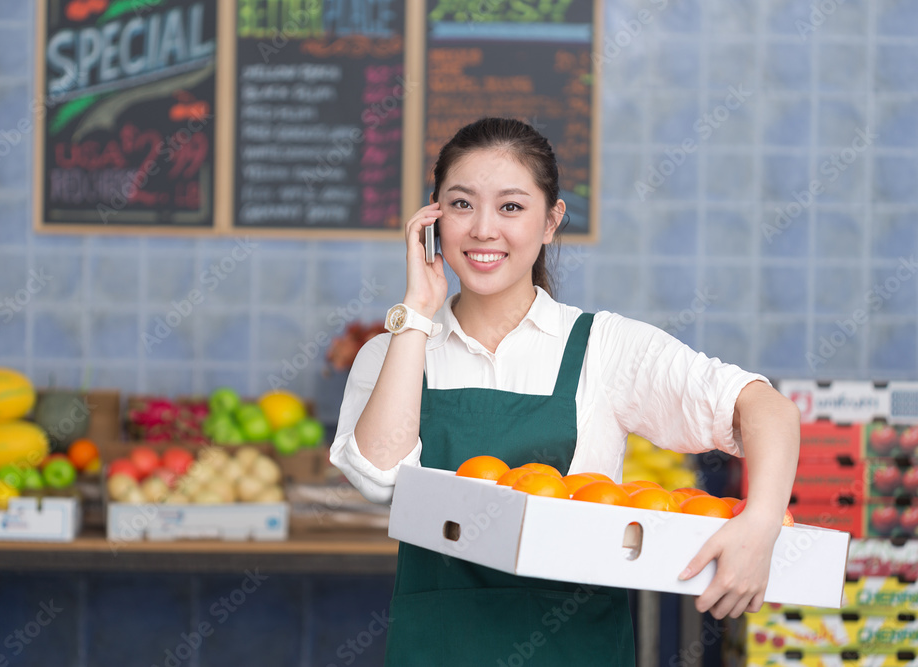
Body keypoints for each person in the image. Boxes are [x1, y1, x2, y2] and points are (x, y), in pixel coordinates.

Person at [329, 117, 800, 666]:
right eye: (461, 204)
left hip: (576, 648)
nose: (483, 229)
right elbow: (378, 478)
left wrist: (761, 525)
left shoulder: (603, 347)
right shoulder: (395, 353)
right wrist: (415, 311)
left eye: (511, 207)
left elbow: (765, 408)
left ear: (551, 222)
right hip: (439, 649)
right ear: (432, 217)